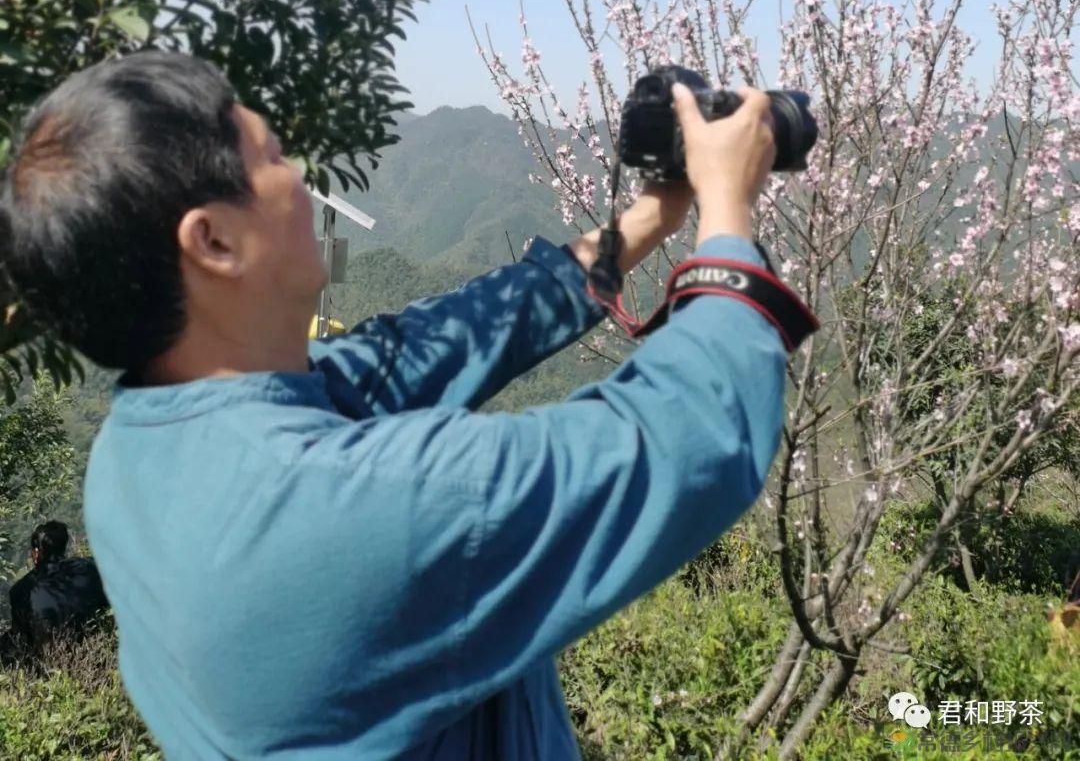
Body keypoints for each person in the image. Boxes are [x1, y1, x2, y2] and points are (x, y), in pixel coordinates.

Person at [0, 50, 819, 759]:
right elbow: (689, 436)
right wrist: (727, 213)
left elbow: (430, 344)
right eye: (275, 156)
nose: (301, 178)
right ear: (212, 240)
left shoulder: (141, 444)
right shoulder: (346, 514)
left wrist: (648, 219)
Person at [5, 520, 109, 652]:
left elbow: (21, 638)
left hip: (45, 660)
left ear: (36, 552)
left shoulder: (20, 590)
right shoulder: (88, 568)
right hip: (91, 650)